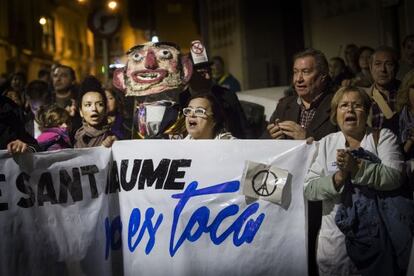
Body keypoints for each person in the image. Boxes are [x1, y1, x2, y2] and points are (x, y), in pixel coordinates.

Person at [304, 86, 405, 275]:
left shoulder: (382, 138)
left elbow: (395, 177)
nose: (349, 110)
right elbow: (309, 189)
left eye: (357, 105)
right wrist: (339, 177)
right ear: (336, 114)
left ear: (366, 112)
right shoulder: (326, 143)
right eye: (343, 105)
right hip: (336, 246)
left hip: (379, 242)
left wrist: (357, 168)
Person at [263, 48, 338, 276]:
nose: (299, 79)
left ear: (323, 76)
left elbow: (341, 148)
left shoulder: (336, 104)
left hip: (321, 195)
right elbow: (265, 149)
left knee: (318, 256)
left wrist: (307, 138)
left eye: (306, 72)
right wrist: (271, 137)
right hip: (287, 193)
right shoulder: (285, 105)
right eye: (296, 72)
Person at [364, 46, 400, 135]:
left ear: (397, 68)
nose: (383, 69)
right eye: (377, 64)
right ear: (370, 67)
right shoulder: (363, 97)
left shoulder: (407, 94)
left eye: (389, 64)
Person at [74, 76, 117, 148]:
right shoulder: (74, 137)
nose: (94, 109)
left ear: (106, 110)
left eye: (100, 104)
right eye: (88, 105)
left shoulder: (111, 138)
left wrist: (116, 145)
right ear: (81, 111)